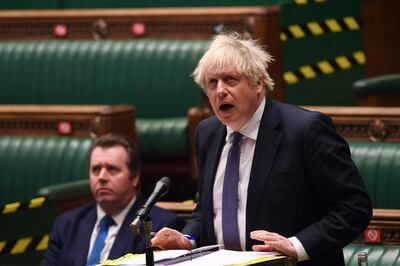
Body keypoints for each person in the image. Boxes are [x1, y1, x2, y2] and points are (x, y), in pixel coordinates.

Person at [151, 32, 372, 265]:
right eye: (212, 83)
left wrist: (297, 245)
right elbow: (208, 210)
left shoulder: (305, 130)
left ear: (258, 83)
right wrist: (188, 238)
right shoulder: (207, 133)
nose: (220, 91)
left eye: (230, 79)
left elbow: (353, 207)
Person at [41, 134, 185, 266]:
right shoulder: (66, 224)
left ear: (135, 177)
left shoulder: (160, 226)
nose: (102, 177)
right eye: (96, 169)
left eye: (112, 169)